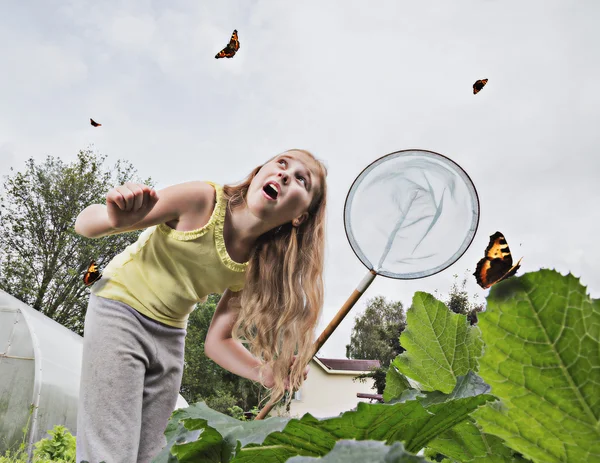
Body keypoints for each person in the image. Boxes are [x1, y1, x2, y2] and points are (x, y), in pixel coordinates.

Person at [73, 149, 328, 463]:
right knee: (109, 453)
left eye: (301, 179)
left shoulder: (254, 267)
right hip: (119, 308)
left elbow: (218, 341)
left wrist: (268, 374)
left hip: (169, 336)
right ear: (260, 171)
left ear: (299, 216)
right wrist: (115, 215)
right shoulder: (201, 200)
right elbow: (86, 223)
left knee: (151, 455)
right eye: (282, 163)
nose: (286, 175)